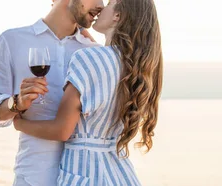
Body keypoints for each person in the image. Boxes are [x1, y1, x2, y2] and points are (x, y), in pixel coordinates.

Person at [12, 0, 163, 185]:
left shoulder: (88, 58)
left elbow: (61, 130)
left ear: (118, 16)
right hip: (120, 174)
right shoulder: (137, 68)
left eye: (109, 3)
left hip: (85, 174)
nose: (101, 7)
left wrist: (19, 124)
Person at [0, 0, 104, 185]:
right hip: (33, 176)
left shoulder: (95, 52)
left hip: (85, 178)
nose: (101, 5)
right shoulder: (12, 40)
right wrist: (16, 103)